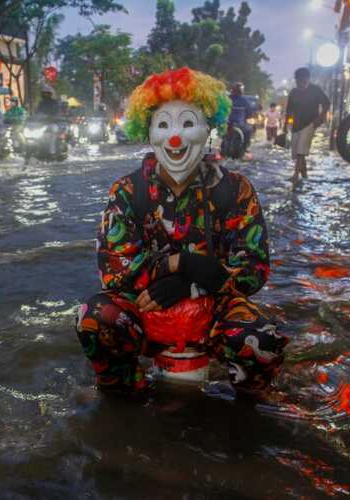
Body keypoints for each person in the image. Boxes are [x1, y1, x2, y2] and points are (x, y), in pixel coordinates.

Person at [75, 67, 288, 396]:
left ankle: (246, 418)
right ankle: (121, 401)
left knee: (262, 338)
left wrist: (191, 286)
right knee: (95, 317)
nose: (175, 138)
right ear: (149, 134)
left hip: (213, 307)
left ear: (208, 132)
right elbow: (114, 272)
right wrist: (179, 264)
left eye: (188, 124)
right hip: (146, 309)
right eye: (164, 125)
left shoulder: (235, 190)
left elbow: (254, 270)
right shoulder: (128, 191)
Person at [284, 67, 330, 183]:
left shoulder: (315, 90)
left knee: (301, 150)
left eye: (303, 80)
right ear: (296, 80)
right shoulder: (293, 93)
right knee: (297, 151)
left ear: (308, 79)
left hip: (310, 124)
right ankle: (304, 174)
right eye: (298, 80)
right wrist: (286, 125)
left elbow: (326, 103)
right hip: (296, 125)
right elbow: (289, 111)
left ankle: (295, 175)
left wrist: (321, 116)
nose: (301, 83)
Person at [227, 82, 254, 152]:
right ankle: (245, 147)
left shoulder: (227, 99)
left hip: (227, 124)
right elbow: (249, 113)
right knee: (249, 129)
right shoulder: (245, 101)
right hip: (240, 125)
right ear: (241, 91)